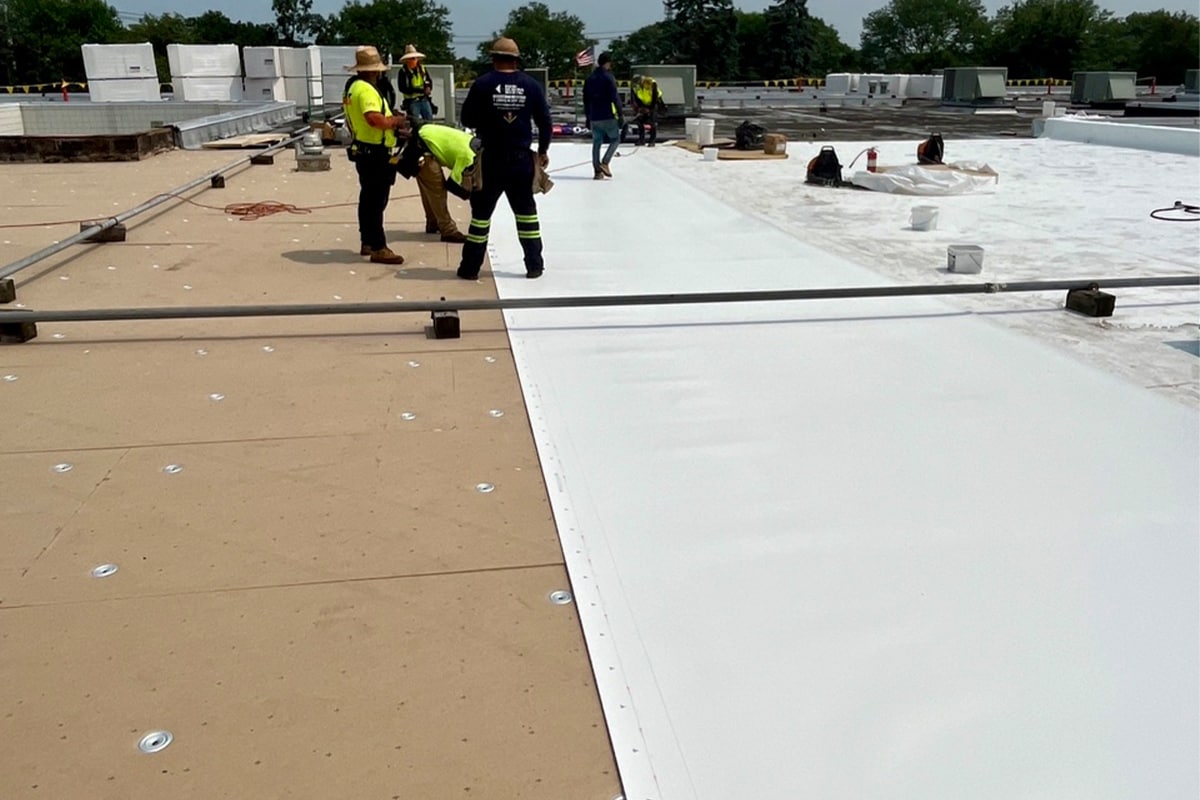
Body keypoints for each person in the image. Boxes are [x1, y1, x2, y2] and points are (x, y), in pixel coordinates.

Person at [457, 36, 552, 281]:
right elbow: (545, 122)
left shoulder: (482, 84)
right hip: (521, 162)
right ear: (516, 60)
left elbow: (466, 119)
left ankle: (470, 268)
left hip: (491, 161)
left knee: (480, 217)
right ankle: (534, 266)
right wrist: (542, 151)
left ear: (494, 58)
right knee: (527, 215)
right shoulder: (531, 86)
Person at [343, 45, 407, 265]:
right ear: (374, 70)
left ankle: (368, 241)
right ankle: (378, 246)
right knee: (377, 200)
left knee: (368, 198)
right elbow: (374, 119)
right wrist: (395, 121)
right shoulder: (367, 90)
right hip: (376, 151)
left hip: (363, 149)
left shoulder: (351, 87)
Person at [396, 121, 476, 244]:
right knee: (437, 191)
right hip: (424, 148)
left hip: (425, 137)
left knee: (428, 189)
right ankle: (448, 230)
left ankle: (433, 222)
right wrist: (470, 194)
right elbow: (452, 185)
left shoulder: (475, 144)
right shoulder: (469, 157)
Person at [583, 52, 621, 179]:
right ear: (608, 63)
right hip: (608, 114)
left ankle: (597, 172)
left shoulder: (589, 79)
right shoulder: (608, 77)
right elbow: (614, 97)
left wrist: (588, 117)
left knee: (596, 143)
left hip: (594, 115)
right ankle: (605, 162)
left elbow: (585, 100)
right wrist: (621, 115)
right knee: (615, 139)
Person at [397, 44, 434, 121]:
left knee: (429, 121)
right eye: (411, 58)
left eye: (415, 58)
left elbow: (429, 81)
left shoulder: (422, 69)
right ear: (407, 60)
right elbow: (402, 88)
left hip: (424, 99)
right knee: (414, 122)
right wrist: (420, 90)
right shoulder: (403, 72)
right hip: (412, 101)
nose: (414, 60)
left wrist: (429, 88)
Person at [630, 74, 666, 147]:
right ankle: (641, 140)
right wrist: (639, 108)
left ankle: (652, 141)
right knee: (639, 122)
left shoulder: (651, 83)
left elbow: (654, 96)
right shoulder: (635, 87)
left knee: (652, 123)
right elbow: (636, 98)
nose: (638, 84)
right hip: (643, 104)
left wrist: (650, 109)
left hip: (653, 103)